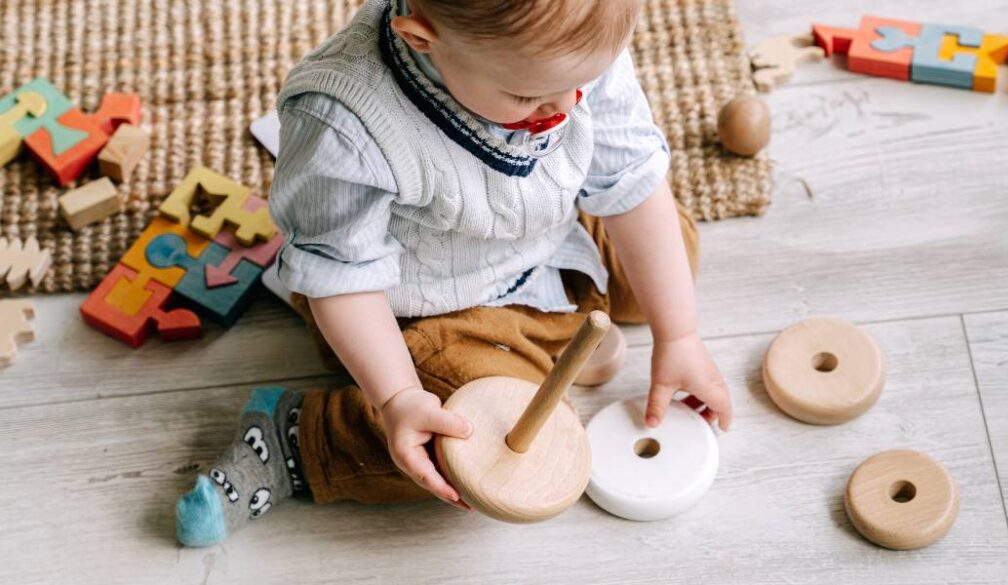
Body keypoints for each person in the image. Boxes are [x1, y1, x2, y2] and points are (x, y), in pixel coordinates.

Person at [175, 0, 732, 547]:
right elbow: (344, 278)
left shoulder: (575, 41)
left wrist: (678, 334)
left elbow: (629, 176)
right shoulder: (343, 120)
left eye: (581, 85)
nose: (562, 109)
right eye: (527, 96)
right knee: (473, 444)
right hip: (421, 306)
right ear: (422, 37)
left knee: (670, 249)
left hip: (547, 236)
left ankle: (561, 326)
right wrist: (396, 399)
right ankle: (297, 439)